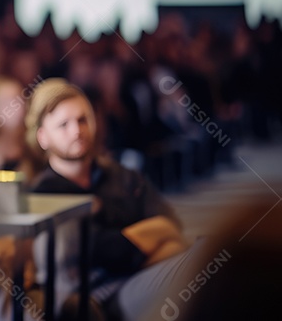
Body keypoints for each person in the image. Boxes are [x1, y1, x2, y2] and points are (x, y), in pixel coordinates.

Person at [26, 79, 195, 320]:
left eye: (82, 120)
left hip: (134, 280)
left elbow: (171, 224)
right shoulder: (44, 192)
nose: (76, 131)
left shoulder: (121, 175)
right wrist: (157, 233)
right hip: (91, 300)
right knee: (193, 268)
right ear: (43, 137)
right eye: (63, 125)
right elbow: (105, 250)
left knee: (202, 255)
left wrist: (149, 237)